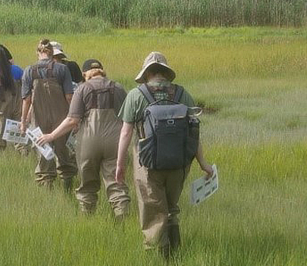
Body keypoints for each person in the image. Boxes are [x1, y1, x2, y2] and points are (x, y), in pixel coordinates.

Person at [116, 52, 213, 258]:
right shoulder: (182, 94)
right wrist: (203, 163)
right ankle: (175, 253)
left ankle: (156, 256)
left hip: (147, 165)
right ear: (166, 73)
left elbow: (125, 132)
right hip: (179, 163)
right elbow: (193, 133)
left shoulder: (136, 95)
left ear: (147, 73)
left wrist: (120, 165)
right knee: (171, 207)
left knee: (152, 210)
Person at [37, 59, 131, 219]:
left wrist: (51, 135)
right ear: (103, 71)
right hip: (115, 140)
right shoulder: (119, 88)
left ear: (85, 74)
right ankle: (122, 221)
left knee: (87, 184)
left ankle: (88, 219)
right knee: (116, 184)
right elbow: (128, 120)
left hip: (89, 140)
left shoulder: (83, 88)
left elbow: (72, 120)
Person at [20, 39, 77, 190]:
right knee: (64, 154)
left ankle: (47, 187)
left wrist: (23, 122)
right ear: (52, 53)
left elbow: (26, 100)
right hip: (61, 119)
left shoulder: (29, 71)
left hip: (39, 120)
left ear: (38, 52)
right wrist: (75, 119)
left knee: (44, 155)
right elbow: (69, 97)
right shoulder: (62, 69)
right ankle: (67, 187)